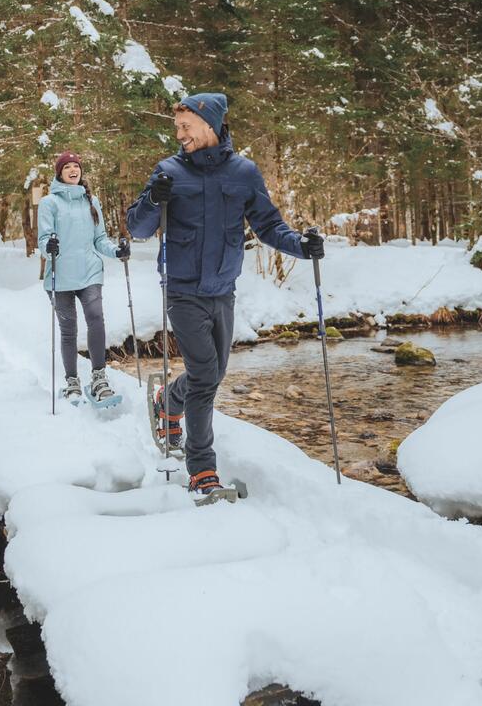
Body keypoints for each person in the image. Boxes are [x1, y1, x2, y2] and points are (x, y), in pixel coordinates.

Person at [126, 93, 324, 498]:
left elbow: (269, 225)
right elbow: (139, 228)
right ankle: (202, 470)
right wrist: (152, 199)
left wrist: (302, 246)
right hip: (182, 291)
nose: (179, 134)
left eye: (186, 127)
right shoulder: (168, 171)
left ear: (210, 125)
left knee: (213, 375)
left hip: (223, 289)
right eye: (177, 128)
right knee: (203, 377)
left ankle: (168, 400)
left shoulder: (244, 173)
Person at [38, 151, 131, 404]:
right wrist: (50, 246)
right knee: (69, 331)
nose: (72, 170)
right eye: (66, 166)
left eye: (75, 166)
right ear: (59, 173)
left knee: (96, 319)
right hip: (61, 276)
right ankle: (72, 382)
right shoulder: (49, 203)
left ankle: (99, 377)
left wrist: (117, 251)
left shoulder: (92, 201)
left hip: (89, 272)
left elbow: (99, 239)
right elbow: (43, 240)